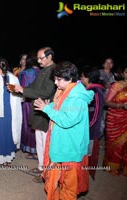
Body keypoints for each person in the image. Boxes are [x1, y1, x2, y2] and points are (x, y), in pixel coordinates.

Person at [34, 61, 94, 200]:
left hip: (70, 149)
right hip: (62, 145)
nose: (55, 83)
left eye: (59, 79)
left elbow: (67, 120)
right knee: (58, 183)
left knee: (69, 188)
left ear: (71, 78)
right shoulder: (65, 91)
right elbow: (60, 110)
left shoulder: (77, 97)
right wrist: (50, 106)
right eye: (55, 79)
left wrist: (47, 109)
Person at [12, 47, 56, 182]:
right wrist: (21, 89)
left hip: (46, 112)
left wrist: (24, 90)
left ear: (49, 57)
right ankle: (41, 167)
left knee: (46, 142)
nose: (38, 60)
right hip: (39, 110)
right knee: (40, 142)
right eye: (37, 58)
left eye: (41, 58)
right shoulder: (43, 70)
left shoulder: (54, 70)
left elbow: (46, 92)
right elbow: (34, 87)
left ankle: (47, 173)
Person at [80, 69, 105, 179]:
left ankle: (84, 175)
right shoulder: (89, 89)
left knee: (88, 153)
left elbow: (96, 113)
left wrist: (88, 126)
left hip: (90, 129)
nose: (81, 79)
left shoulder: (96, 91)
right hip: (86, 127)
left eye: (82, 76)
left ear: (87, 78)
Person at [103, 65, 127, 176]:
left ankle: (123, 166)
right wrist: (121, 105)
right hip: (114, 118)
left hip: (125, 119)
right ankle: (112, 166)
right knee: (113, 143)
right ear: (123, 74)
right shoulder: (117, 85)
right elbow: (106, 102)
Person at [18, 57, 39, 159]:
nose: (24, 61)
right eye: (22, 59)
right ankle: (36, 150)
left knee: (28, 124)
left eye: (26, 59)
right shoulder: (39, 71)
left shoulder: (27, 72)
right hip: (38, 100)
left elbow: (24, 88)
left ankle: (31, 149)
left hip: (27, 101)